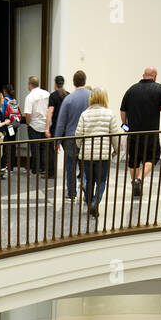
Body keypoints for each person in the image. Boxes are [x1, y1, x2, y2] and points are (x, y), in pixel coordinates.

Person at [120, 66, 161, 197]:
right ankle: (139, 179)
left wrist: (126, 128)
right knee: (153, 157)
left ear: (143, 75)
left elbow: (123, 110)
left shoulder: (131, 89)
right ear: (154, 76)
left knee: (134, 159)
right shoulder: (159, 88)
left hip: (133, 133)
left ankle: (134, 183)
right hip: (151, 133)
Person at [74, 86, 122, 218]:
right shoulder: (109, 113)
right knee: (101, 181)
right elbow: (115, 135)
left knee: (89, 180)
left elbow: (78, 135)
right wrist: (117, 150)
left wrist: (80, 147)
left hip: (87, 155)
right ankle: (96, 202)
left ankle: (90, 202)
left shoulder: (85, 114)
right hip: (103, 155)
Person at [53, 70, 91, 201]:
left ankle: (71, 192)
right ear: (85, 81)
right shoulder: (92, 97)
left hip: (71, 138)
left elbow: (61, 122)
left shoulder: (69, 99)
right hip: (88, 137)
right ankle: (86, 185)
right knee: (86, 164)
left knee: (71, 165)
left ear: (74, 82)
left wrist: (57, 141)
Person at [23, 75, 51, 175]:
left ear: (30, 85)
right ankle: (44, 167)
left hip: (34, 125)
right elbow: (50, 109)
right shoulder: (47, 94)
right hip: (45, 125)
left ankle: (36, 168)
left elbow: (28, 114)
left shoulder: (29, 97)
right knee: (44, 148)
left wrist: (28, 123)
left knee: (35, 148)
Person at [44, 74, 68, 179]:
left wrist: (47, 128)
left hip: (55, 128)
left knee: (51, 152)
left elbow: (50, 112)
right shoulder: (68, 95)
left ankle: (51, 173)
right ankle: (71, 172)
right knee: (69, 152)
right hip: (67, 128)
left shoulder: (53, 96)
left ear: (55, 84)